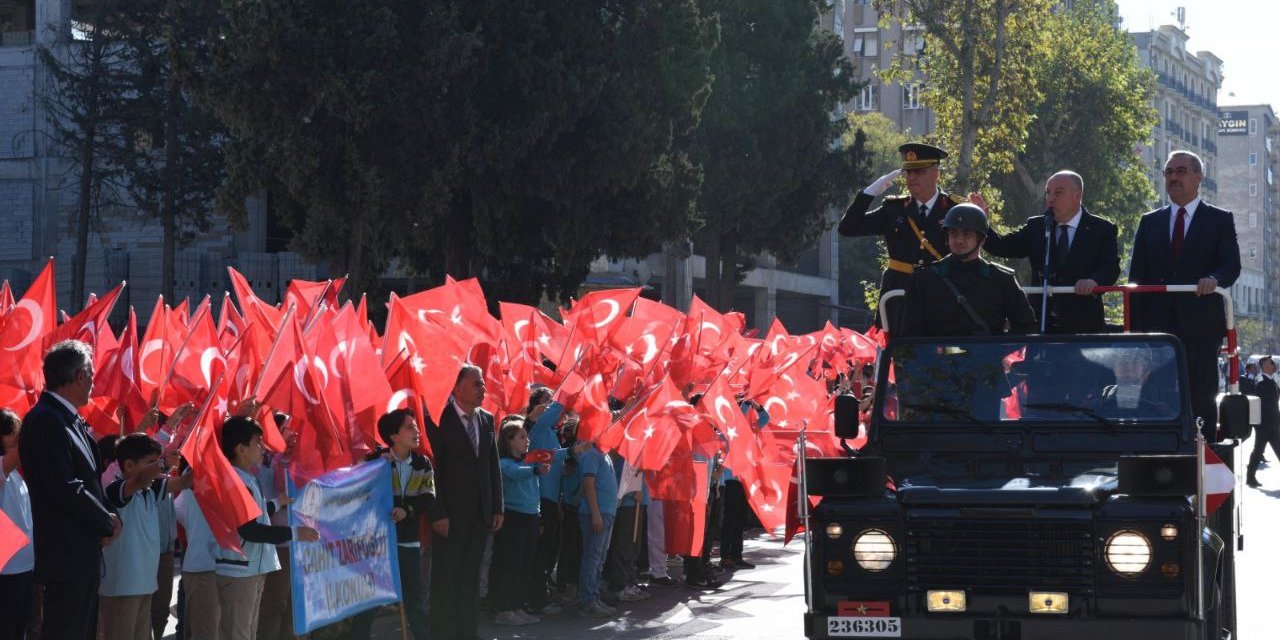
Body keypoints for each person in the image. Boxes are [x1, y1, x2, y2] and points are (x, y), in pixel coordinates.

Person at [1128, 150, 1241, 440]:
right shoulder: (1149, 222)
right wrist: (1136, 334)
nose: (1174, 178)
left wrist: (1213, 279)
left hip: (1201, 328)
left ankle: (1205, 459)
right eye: (1168, 172)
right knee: (1156, 396)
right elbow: (1136, 278)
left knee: (1202, 395)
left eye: (1181, 171)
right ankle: (1160, 454)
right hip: (1158, 330)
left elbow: (1231, 265)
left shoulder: (1219, 220)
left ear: (1198, 176)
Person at [18, 340, 120, 640]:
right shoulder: (46, 420)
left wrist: (110, 515)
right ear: (79, 375)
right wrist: (105, 522)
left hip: (82, 555)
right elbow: (64, 487)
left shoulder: (70, 420)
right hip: (65, 558)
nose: (93, 382)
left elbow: (91, 482)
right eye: (91, 374)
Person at [838, 143, 964, 334]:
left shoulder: (955, 208)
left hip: (941, 294)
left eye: (919, 171)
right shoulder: (893, 209)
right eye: (908, 172)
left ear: (936, 173)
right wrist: (868, 193)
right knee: (898, 356)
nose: (912, 177)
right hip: (899, 297)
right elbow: (848, 228)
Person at [215, 417, 319, 640]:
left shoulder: (246, 478)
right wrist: (294, 533)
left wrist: (276, 503)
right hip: (239, 572)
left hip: (250, 569)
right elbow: (250, 530)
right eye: (258, 442)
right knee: (239, 634)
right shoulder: (237, 481)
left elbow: (255, 514)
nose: (263, 447)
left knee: (248, 633)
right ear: (241, 449)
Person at [982, 170, 1121, 333]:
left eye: (1058, 193)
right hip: (1040, 322)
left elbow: (1110, 267)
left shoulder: (1102, 229)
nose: (1050, 198)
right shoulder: (1037, 226)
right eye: (1048, 192)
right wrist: (980, 221)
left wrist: (1094, 281)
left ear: (1077, 195)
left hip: (1082, 323)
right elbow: (1001, 246)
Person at [425, 364, 504, 640]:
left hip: (480, 514)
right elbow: (433, 471)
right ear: (458, 388)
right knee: (447, 574)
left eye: (482, 384)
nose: (482, 389)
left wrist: (497, 507)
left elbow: (492, 466)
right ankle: (443, 631)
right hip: (451, 515)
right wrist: (439, 513)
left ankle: (467, 630)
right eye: (476, 384)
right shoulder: (438, 419)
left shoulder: (485, 419)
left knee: (470, 575)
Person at [99, 433, 193, 640]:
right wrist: (162, 463)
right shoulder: (116, 489)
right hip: (121, 586)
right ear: (129, 465)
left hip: (144, 583)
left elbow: (184, 482)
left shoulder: (150, 489)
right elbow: (141, 478)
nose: (159, 470)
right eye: (151, 462)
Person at [899, 204, 1038, 337]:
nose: (959, 240)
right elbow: (911, 336)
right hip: (937, 359)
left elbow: (1026, 328)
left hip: (987, 359)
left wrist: (999, 349)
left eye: (967, 234)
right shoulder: (924, 279)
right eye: (954, 233)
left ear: (981, 239)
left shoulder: (1002, 279)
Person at [491, 416, 550, 626]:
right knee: (511, 566)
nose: (527, 440)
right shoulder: (504, 463)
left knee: (526, 566)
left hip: (531, 519)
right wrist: (535, 469)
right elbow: (516, 474)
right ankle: (504, 609)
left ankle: (517, 607)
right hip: (514, 520)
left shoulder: (528, 461)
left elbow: (553, 458)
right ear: (509, 440)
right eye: (522, 436)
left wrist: (573, 452)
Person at [0, 407, 35, 640]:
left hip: (25, 566)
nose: (17, 438)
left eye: (19, 432)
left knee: (19, 630)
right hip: (5, 570)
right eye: (11, 432)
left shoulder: (16, 475)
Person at [575, 439, 619, 618]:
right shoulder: (592, 454)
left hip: (606, 513)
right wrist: (595, 514)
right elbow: (588, 484)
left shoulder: (603, 454)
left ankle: (594, 597)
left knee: (599, 559)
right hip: (597, 515)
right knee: (592, 559)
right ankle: (587, 602)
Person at [1247, 357, 1280, 488]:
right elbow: (1259, 402)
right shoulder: (1261, 381)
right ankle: (1250, 477)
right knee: (1258, 451)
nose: (1273, 365)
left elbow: (1274, 403)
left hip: (1273, 423)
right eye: (1270, 363)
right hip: (1264, 424)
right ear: (1265, 366)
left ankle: (1250, 477)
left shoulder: (1273, 381)